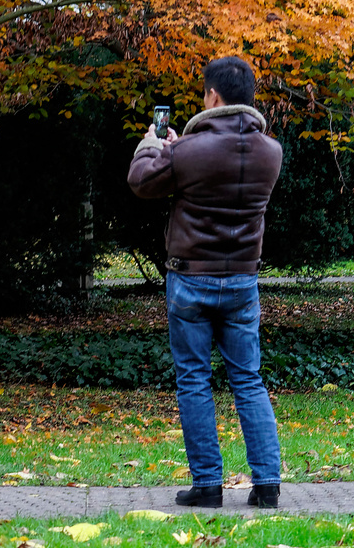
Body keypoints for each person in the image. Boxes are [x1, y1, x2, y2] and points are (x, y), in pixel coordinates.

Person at [129, 56, 283, 510]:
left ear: (212, 96)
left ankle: (208, 485)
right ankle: (268, 484)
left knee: (194, 380)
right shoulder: (270, 153)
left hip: (190, 281)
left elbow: (142, 181)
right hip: (242, 283)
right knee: (249, 380)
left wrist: (150, 146)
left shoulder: (187, 151)